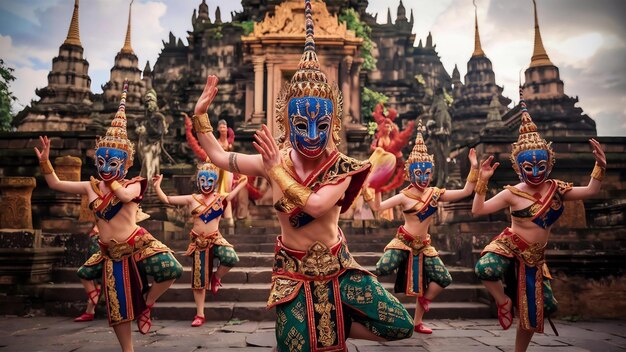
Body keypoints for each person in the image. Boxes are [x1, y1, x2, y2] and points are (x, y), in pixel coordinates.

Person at [190, 1, 414, 350]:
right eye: (300, 124)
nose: (311, 134)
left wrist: (275, 171)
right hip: (292, 274)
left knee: (400, 324)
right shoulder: (274, 159)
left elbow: (315, 204)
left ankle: (337, 324)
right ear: (286, 122)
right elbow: (218, 156)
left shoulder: (340, 167)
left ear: (333, 124)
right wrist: (201, 116)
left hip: (339, 270)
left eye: (321, 125)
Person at [35, 82, 182, 352]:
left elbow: (125, 199)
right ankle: (128, 349)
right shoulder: (90, 187)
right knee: (117, 308)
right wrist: (45, 162)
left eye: (113, 162)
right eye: (102, 161)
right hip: (110, 251)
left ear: (126, 162)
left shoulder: (134, 183)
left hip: (137, 242)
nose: (105, 167)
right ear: (96, 158)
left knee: (173, 269)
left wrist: (114, 181)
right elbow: (56, 184)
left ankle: (148, 301)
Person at [472, 89, 606, 352]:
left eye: (540, 167)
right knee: (484, 269)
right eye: (528, 168)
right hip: (510, 246)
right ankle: (502, 302)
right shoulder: (512, 193)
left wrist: (600, 166)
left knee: (538, 311)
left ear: (549, 163)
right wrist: (482, 181)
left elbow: (590, 191)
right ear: (518, 167)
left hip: (535, 257)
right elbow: (478, 210)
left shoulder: (556, 189)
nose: (535, 172)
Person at [364, 121, 479, 334]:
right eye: (419, 173)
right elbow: (378, 207)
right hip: (403, 242)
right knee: (382, 269)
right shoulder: (404, 196)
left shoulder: (435, 193)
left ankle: (418, 319)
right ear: (410, 173)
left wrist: (474, 167)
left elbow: (466, 191)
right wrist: (377, 186)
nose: (424, 178)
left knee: (443, 278)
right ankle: (372, 309)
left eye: (427, 174)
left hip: (424, 246)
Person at [151, 116, 246, 327]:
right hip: (198, 241)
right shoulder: (192, 199)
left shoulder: (220, 197)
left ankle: (217, 277)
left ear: (215, 182)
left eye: (210, 181)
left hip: (215, 238)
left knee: (231, 257)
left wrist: (243, 181)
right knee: (197, 280)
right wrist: (157, 186)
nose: (206, 184)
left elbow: (232, 193)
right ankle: (200, 313)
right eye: (202, 180)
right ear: (198, 181)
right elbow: (167, 200)